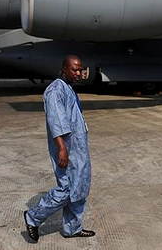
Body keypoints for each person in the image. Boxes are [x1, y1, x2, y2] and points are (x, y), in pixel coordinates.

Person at [23, 55, 95, 242]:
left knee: (80, 188)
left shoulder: (68, 88)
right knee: (67, 189)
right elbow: (56, 122)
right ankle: (33, 216)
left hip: (78, 149)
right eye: (74, 70)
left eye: (80, 70)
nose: (78, 73)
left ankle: (72, 228)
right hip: (67, 149)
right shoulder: (55, 90)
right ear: (64, 69)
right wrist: (62, 148)